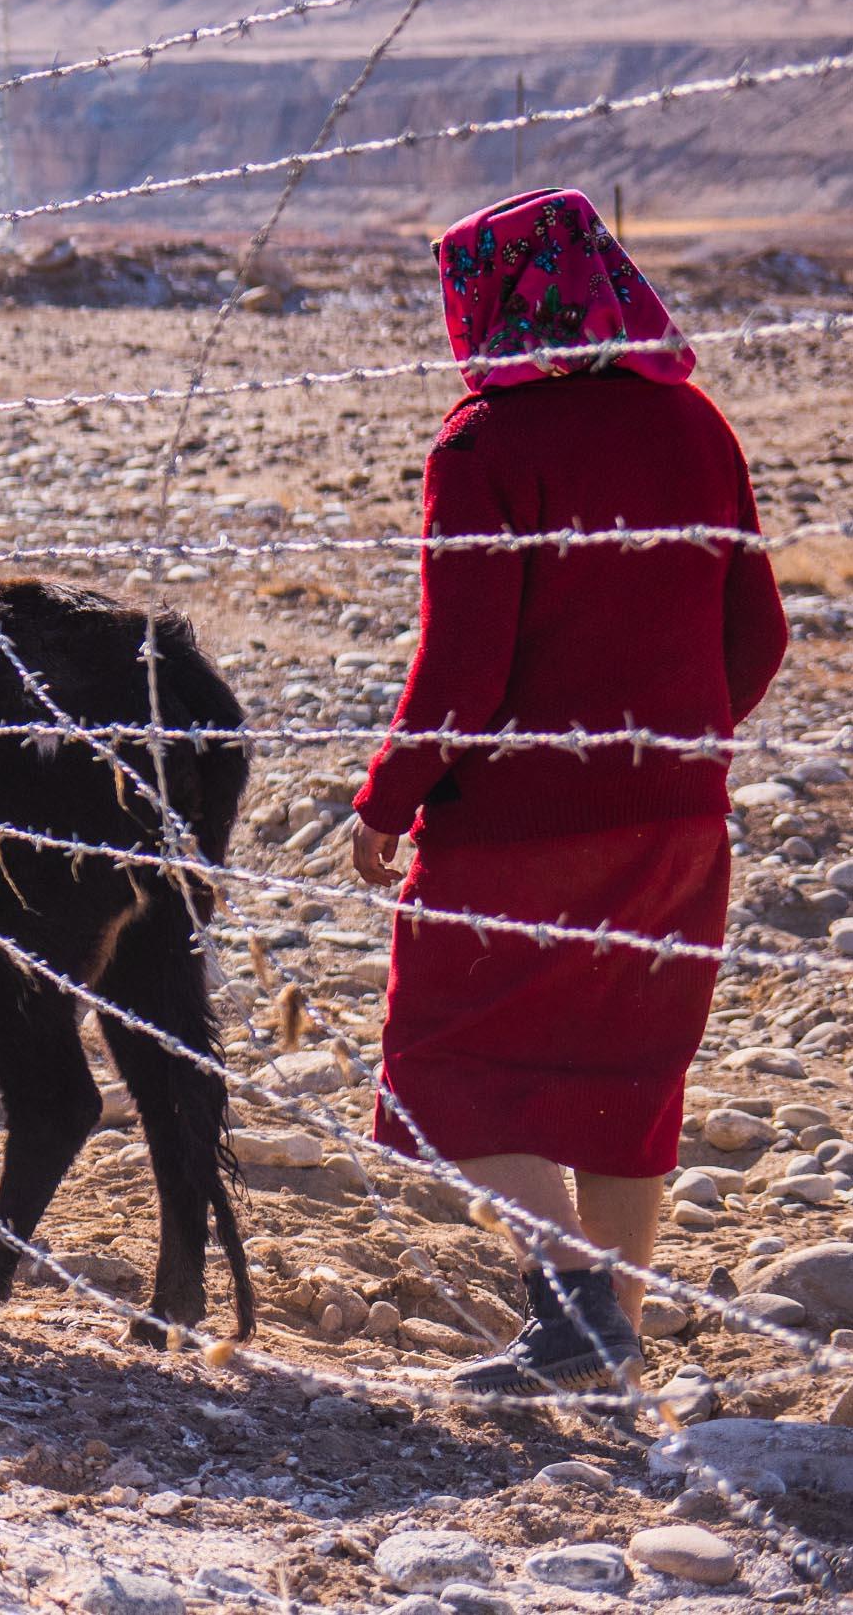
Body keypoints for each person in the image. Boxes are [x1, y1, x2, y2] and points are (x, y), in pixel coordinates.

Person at [350, 189, 784, 1396]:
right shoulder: (694, 425)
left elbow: (461, 668)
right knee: (628, 1065)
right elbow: (761, 633)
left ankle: (576, 1315)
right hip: (680, 817)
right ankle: (608, 1340)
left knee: (436, 1061)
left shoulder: (485, 445)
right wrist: (675, 747)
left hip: (519, 831)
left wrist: (389, 799)